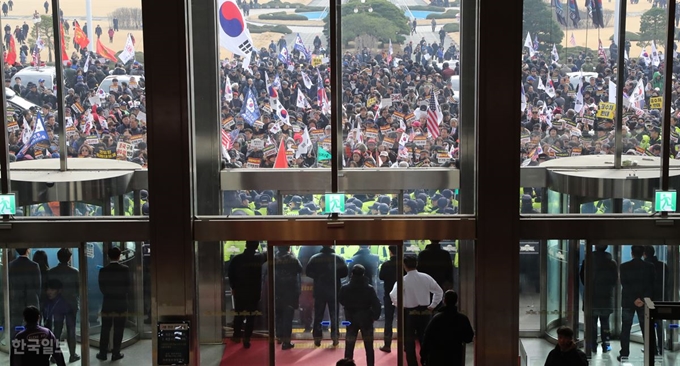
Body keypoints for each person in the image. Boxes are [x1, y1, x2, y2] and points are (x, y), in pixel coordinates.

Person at [390, 255, 443, 366]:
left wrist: (401, 305)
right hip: (425, 311)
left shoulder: (403, 280)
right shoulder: (426, 277)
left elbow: (393, 295)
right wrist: (433, 305)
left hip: (409, 312)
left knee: (409, 342)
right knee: (425, 339)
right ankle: (426, 361)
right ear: (416, 264)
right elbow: (439, 292)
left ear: (404, 265)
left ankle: (412, 364)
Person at [305, 245, 348, 346]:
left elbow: (308, 272)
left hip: (319, 290)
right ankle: (335, 337)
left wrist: (319, 276)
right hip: (334, 290)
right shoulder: (338, 258)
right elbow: (345, 273)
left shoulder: (314, 258)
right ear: (332, 246)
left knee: (318, 315)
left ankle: (317, 337)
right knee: (334, 315)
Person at [618, 245, 655, 362]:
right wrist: (643, 299)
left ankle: (624, 353)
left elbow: (625, 284)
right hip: (644, 302)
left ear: (632, 253)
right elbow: (651, 284)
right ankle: (650, 352)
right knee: (647, 328)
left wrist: (634, 298)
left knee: (626, 328)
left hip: (628, 301)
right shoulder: (650, 266)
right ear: (642, 253)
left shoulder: (624, 266)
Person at [338, 264, 381, 366]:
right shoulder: (369, 288)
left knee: (349, 345)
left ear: (352, 273)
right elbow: (376, 304)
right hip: (366, 317)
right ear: (363, 274)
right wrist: (375, 316)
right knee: (369, 346)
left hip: (350, 317)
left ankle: (348, 364)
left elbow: (341, 300)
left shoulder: (345, 287)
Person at [578, 245, 617, 353]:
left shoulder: (588, 261)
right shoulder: (612, 263)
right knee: (605, 323)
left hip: (591, 296)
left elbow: (582, 276)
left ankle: (592, 346)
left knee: (592, 324)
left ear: (595, 247)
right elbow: (614, 280)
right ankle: (606, 345)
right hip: (606, 297)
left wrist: (589, 287)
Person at [420, 290, 474, 366]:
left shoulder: (437, 319)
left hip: (437, 356)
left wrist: (423, 355)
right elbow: (469, 337)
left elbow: (427, 337)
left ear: (444, 300)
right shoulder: (462, 318)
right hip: (455, 356)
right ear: (456, 301)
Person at [228, 241, 265, 348]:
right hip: (254, 292)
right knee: (251, 316)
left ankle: (236, 336)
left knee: (239, 314)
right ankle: (247, 338)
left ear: (246, 245)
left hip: (240, 291)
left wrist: (233, 287)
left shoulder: (237, 259)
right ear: (257, 246)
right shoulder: (260, 258)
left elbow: (230, 274)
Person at [96, 247, 131, 361]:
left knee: (105, 328)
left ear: (108, 256)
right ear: (119, 255)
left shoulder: (103, 270)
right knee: (119, 328)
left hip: (108, 303)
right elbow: (128, 287)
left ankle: (103, 353)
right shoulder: (125, 269)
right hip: (121, 303)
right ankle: (116, 353)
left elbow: (102, 288)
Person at [46, 248, 80, 362]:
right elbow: (79, 289)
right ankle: (72, 355)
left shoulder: (51, 272)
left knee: (57, 329)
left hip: (57, 304)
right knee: (71, 330)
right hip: (71, 305)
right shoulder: (75, 272)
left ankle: (54, 356)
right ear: (69, 258)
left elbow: (48, 289)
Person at [643, 245, 671, 355]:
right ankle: (661, 347)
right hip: (661, 298)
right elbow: (667, 282)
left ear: (644, 254)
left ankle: (652, 349)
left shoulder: (645, 266)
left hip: (649, 298)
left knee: (649, 324)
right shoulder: (662, 265)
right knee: (659, 325)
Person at [9, 248, 42, 339]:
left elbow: (9, 284)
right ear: (28, 250)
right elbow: (38, 285)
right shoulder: (34, 265)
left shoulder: (11, 265)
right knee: (33, 326)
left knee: (15, 325)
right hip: (32, 299)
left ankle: (14, 346)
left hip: (16, 299)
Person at [273, 246, 302, 350]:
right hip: (290, 292)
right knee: (288, 317)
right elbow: (300, 269)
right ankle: (286, 342)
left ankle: (279, 336)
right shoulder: (292, 259)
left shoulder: (274, 259)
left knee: (278, 315)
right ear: (289, 248)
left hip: (277, 291)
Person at [378, 245, 397, 353]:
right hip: (402, 295)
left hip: (389, 295)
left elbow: (381, 277)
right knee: (404, 320)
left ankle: (387, 344)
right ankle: (405, 344)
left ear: (390, 252)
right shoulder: (402, 264)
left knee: (388, 320)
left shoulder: (386, 264)